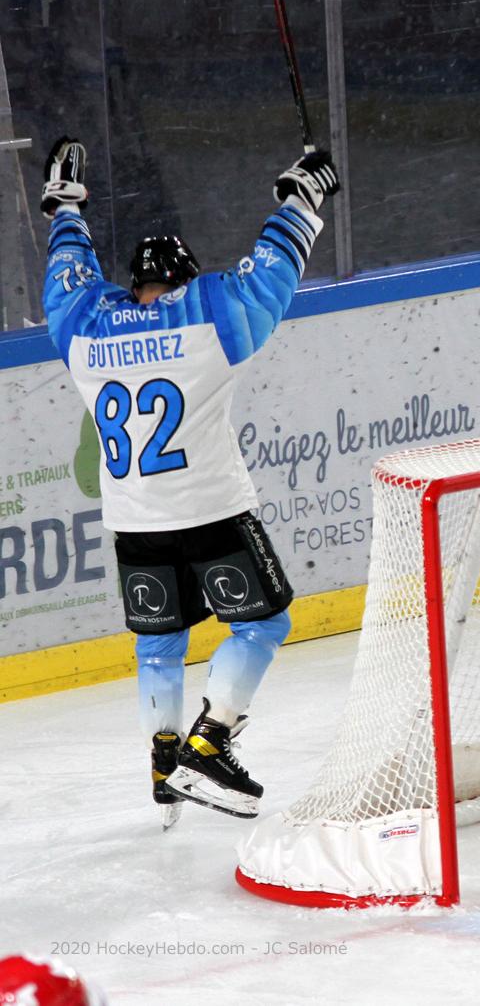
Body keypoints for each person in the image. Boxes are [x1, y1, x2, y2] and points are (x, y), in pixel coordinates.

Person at [40, 135, 340, 826]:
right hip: (209, 510)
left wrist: (67, 209)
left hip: (134, 523)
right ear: (183, 278)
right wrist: (301, 196)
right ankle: (211, 741)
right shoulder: (203, 315)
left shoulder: (86, 330)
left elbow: (67, 276)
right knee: (264, 623)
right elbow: (268, 277)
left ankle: (165, 759)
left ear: (135, 286)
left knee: (159, 643)